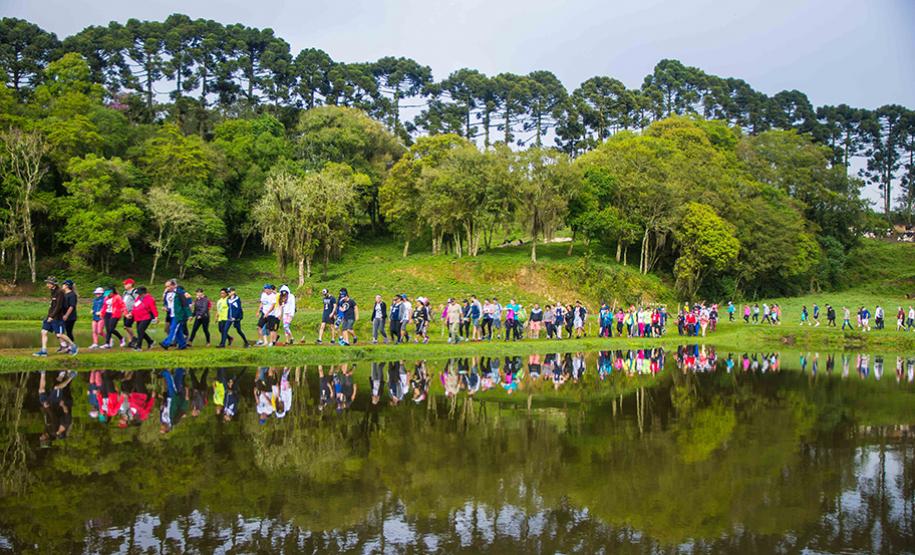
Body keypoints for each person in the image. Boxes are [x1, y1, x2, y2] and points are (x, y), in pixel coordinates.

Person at [160, 279, 191, 350]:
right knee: (178, 331)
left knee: (173, 329)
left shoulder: (180, 293)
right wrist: (165, 307)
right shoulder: (167, 294)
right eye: (166, 286)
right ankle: (182, 345)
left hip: (179, 315)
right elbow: (166, 303)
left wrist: (189, 315)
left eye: (169, 286)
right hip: (171, 314)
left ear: (173, 285)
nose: (167, 288)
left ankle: (166, 343)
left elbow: (185, 304)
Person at [60, 280, 78, 351]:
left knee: (69, 331)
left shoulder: (72, 295)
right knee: (61, 332)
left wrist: (66, 315)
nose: (62, 286)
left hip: (70, 317)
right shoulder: (64, 294)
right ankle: (65, 346)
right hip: (63, 316)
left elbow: (71, 306)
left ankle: (71, 346)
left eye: (63, 284)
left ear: (67, 286)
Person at [122, 278, 138, 348]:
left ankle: (134, 338)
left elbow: (138, 301)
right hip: (126, 312)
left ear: (130, 284)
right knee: (126, 327)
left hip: (132, 311)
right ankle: (130, 341)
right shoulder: (125, 292)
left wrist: (132, 311)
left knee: (128, 325)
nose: (124, 285)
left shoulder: (135, 291)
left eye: (126, 284)